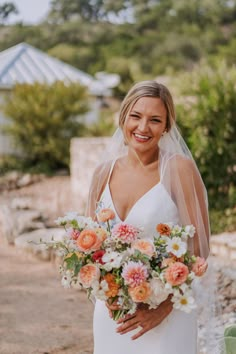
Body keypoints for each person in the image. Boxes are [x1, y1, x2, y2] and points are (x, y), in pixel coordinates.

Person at [86, 80, 210, 354]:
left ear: (166, 127)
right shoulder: (102, 173)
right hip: (113, 314)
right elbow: (90, 247)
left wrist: (163, 308)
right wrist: (106, 291)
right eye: (136, 116)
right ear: (123, 117)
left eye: (155, 120)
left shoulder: (179, 170)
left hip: (166, 315)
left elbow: (200, 249)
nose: (143, 128)